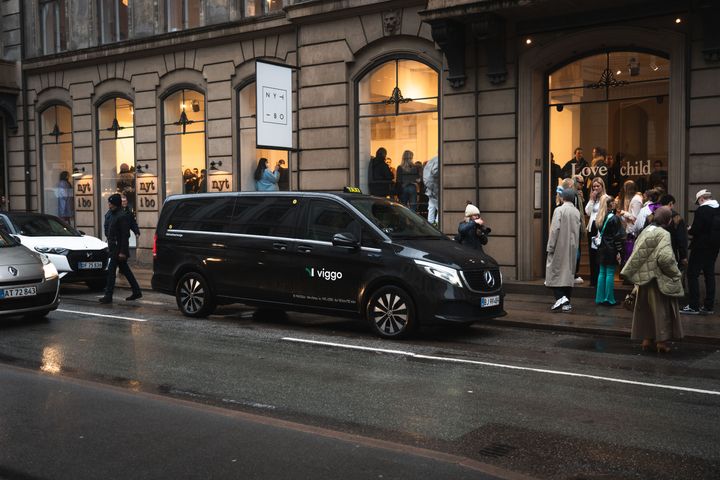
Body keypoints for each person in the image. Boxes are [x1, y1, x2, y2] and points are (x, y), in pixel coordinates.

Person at [621, 207, 684, 353]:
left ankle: (647, 340)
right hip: (657, 279)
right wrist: (675, 273)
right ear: (667, 220)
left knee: (646, 311)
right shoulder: (663, 234)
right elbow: (665, 258)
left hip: (643, 279)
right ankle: (661, 342)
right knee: (661, 310)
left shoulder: (646, 230)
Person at [681, 189, 720, 315]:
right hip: (714, 246)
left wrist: (689, 229)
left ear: (701, 199)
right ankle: (709, 306)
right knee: (709, 274)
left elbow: (696, 229)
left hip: (700, 246)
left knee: (692, 274)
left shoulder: (702, 210)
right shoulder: (718, 208)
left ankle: (694, 305)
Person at [99, 194, 142, 304]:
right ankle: (136, 291)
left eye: (110, 203)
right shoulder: (110, 214)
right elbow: (107, 227)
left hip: (118, 248)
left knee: (111, 271)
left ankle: (108, 296)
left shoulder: (122, 216)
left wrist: (123, 252)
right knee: (125, 270)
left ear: (115, 203)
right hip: (113, 246)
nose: (108, 204)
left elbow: (124, 235)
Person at [545, 188, 582, 312]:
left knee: (555, 274)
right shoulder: (576, 212)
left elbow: (554, 230)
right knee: (568, 275)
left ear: (562, 198)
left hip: (559, 247)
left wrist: (550, 246)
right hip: (572, 248)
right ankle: (566, 302)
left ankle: (561, 299)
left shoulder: (559, 210)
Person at [594, 194, 625, 305]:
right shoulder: (614, 218)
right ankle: (609, 299)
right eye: (613, 202)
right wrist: (620, 251)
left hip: (601, 248)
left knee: (602, 273)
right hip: (611, 248)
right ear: (610, 205)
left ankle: (600, 298)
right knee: (610, 273)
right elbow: (618, 236)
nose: (615, 204)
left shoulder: (600, 217)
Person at [584, 177, 607, 287]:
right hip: (592, 228)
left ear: (602, 187)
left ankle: (600, 280)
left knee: (600, 255)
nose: (596, 188)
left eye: (598, 186)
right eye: (594, 186)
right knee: (592, 254)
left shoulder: (605, 198)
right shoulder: (593, 199)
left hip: (600, 228)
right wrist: (591, 199)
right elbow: (588, 212)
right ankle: (593, 280)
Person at [659, 194, 688, 272]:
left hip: (654, 255)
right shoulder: (677, 219)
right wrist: (683, 257)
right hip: (670, 253)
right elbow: (681, 239)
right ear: (670, 203)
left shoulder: (651, 216)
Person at [424, 155, 439, 225]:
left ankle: (431, 224)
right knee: (439, 207)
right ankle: (437, 223)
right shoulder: (438, 159)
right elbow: (435, 172)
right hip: (435, 186)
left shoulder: (432, 160)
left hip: (430, 186)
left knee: (431, 207)